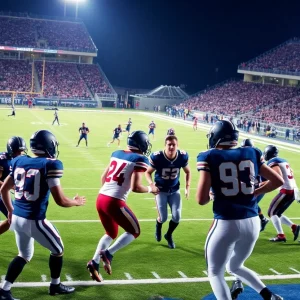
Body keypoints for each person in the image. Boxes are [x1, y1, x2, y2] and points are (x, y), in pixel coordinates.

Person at [196, 120, 284, 300]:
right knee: (234, 266)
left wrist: (214, 194)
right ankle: (270, 296)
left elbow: (201, 199)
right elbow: (278, 181)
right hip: (252, 223)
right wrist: (255, 192)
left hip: (226, 222)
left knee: (214, 272)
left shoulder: (208, 156)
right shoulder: (252, 151)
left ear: (216, 137)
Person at [0, 130, 86, 300]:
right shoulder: (51, 164)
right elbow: (60, 200)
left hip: (17, 217)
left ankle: (4, 290)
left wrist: (10, 211)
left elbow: (3, 190)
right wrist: (76, 202)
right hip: (35, 220)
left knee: (24, 255)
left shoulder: (18, 160)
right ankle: (55, 285)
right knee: (58, 250)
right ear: (49, 145)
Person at [87, 131, 159, 282]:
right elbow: (136, 187)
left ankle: (94, 262)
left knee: (110, 233)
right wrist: (150, 189)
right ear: (142, 144)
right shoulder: (140, 159)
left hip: (101, 198)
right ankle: (109, 253)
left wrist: (109, 194)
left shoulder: (117, 153)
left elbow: (103, 177)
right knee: (135, 231)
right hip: (114, 201)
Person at [145, 135, 191, 249]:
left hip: (175, 190)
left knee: (177, 217)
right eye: (169, 144)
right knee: (163, 218)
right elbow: (147, 172)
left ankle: (168, 235)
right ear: (165, 145)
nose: (171, 147)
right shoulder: (158, 157)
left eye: (173, 144)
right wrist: (152, 185)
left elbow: (188, 172)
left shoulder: (182, 156)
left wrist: (187, 187)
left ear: (177, 145)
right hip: (160, 191)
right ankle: (158, 225)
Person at [263, 145, 300, 243]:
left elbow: (277, 177)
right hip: (292, 190)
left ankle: (281, 235)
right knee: (277, 213)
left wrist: (261, 185)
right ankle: (294, 227)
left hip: (286, 190)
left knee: (272, 212)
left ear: (268, 153)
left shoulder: (273, 162)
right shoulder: (283, 160)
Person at [240, 139, 269, 232]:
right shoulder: (248, 156)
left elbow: (266, 175)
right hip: (252, 185)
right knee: (249, 202)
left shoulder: (256, 157)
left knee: (250, 203)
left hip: (258, 185)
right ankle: (261, 219)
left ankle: (260, 220)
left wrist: (261, 185)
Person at [0, 137, 27, 235]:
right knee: (13, 216)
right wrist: (11, 187)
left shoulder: (19, 160)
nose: (20, 154)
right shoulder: (3, 160)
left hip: (2, 192)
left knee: (13, 218)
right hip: (1, 192)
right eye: (17, 151)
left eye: (21, 151)